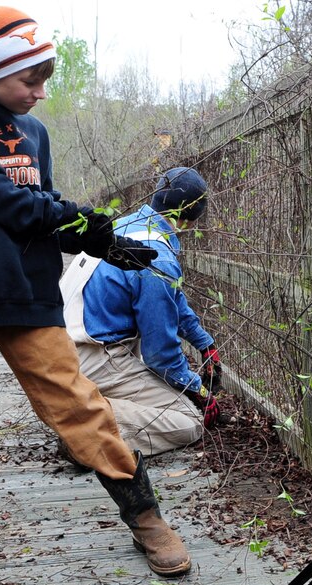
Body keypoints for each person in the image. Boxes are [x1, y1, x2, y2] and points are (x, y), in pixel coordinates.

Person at [0, 7, 191, 581]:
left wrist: (90, 239)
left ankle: (145, 516)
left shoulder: (34, 132)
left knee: (80, 406)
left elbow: (38, 209)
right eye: (31, 79)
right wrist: (89, 224)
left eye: (44, 80)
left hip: (22, 287)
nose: (41, 93)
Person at [60, 167, 223, 457]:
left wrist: (203, 341)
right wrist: (197, 390)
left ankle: (83, 410)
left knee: (169, 396)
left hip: (62, 350)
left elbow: (169, 296)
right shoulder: (157, 255)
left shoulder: (126, 227)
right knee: (188, 421)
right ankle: (87, 432)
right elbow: (160, 353)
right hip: (96, 357)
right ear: (189, 220)